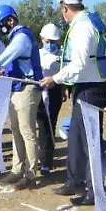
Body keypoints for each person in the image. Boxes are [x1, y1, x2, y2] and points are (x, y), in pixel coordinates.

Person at [40, 0, 106, 207]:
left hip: (92, 86)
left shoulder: (82, 27)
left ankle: (93, 190)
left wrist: (56, 79)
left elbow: (79, 63)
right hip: (86, 85)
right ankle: (74, 180)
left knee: (89, 139)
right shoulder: (89, 21)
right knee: (76, 136)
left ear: (64, 7)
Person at [0, 5, 44, 190]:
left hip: (27, 88)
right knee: (16, 129)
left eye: (1, 24)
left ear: (11, 20)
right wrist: (3, 72)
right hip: (17, 88)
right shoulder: (15, 36)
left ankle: (30, 174)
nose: (0, 28)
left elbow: (2, 59)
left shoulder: (21, 37)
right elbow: (13, 64)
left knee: (27, 132)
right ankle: (17, 169)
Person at [36, 23, 64, 174]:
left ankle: (47, 160)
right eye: (47, 41)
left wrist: (63, 89)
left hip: (55, 92)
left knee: (50, 124)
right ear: (42, 39)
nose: (50, 44)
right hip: (39, 92)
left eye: (53, 41)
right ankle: (39, 159)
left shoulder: (62, 54)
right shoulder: (37, 54)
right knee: (41, 125)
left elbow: (65, 74)